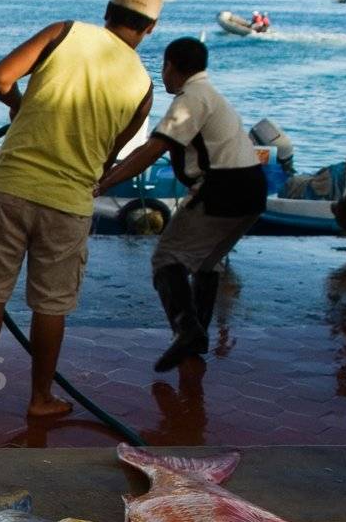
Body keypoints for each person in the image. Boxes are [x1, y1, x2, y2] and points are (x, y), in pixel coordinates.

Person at [0, 0, 159, 417]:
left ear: (107, 11)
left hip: (12, 186)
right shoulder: (144, 88)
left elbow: (1, 77)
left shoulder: (65, 31)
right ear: (150, 29)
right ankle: (39, 399)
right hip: (69, 203)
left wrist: (20, 107)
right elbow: (109, 155)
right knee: (51, 305)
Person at [95, 37, 268, 372]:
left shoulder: (191, 99)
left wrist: (103, 183)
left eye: (164, 67)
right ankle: (197, 337)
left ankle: (187, 331)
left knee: (166, 258)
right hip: (253, 191)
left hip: (222, 189)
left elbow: (151, 150)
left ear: (170, 66)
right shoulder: (213, 95)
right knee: (206, 262)